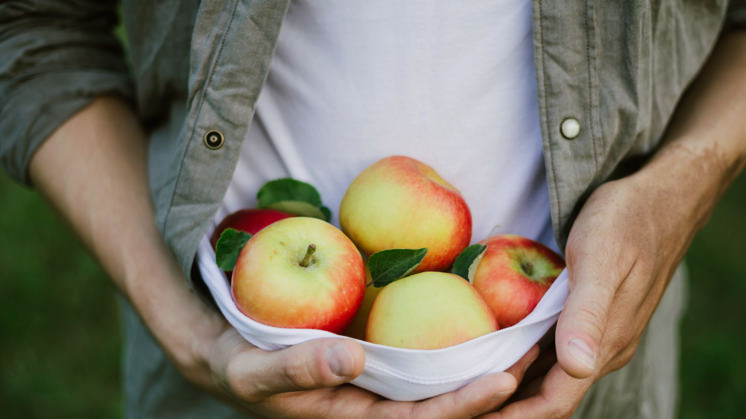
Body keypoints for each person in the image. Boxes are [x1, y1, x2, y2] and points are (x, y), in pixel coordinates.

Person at [1, 1, 745, 418]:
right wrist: (181, 322)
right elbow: (32, 25)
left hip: (590, 392)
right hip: (221, 382)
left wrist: (680, 188)